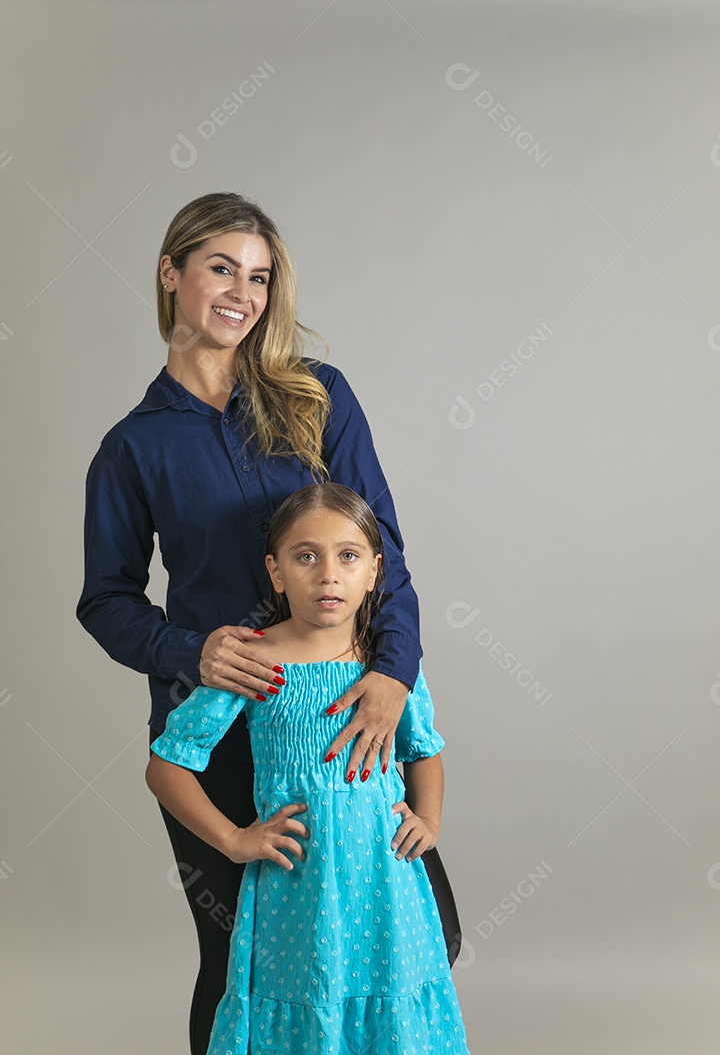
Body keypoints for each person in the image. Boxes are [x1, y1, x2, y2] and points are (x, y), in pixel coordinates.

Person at [77, 193, 461, 1054]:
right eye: (221, 268)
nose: (242, 294)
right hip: (222, 739)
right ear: (171, 273)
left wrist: (392, 677)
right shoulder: (134, 446)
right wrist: (191, 651)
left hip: (342, 719)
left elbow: (384, 554)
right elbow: (105, 599)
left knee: (427, 938)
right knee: (238, 966)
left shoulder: (320, 399)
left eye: (260, 276)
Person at [147, 483, 470, 1054]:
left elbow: (425, 748)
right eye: (306, 556)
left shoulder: (388, 668)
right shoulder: (256, 660)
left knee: (393, 1005)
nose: (328, 575)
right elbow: (166, 766)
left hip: (386, 883)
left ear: (375, 571)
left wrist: (430, 819)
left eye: (348, 556)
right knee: (307, 1000)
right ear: (275, 572)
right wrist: (233, 839)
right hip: (298, 890)